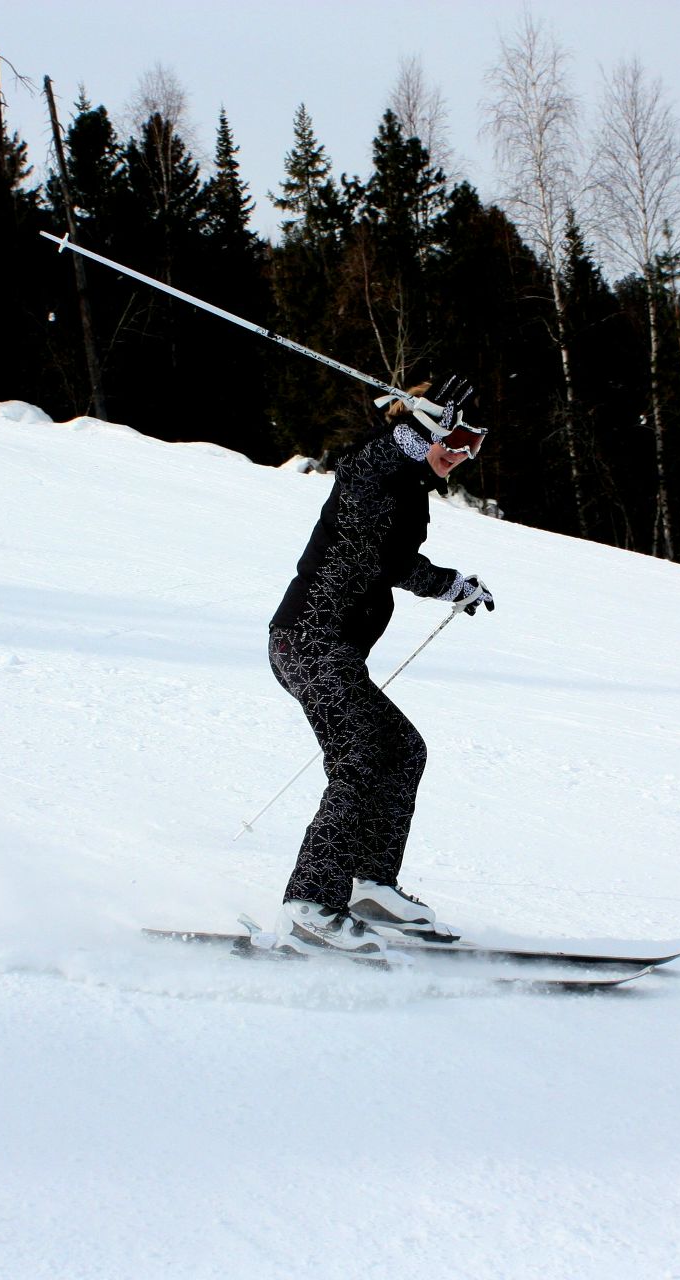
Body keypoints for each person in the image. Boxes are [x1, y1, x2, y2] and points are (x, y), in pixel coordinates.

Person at [268, 374, 490, 957]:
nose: (462, 455)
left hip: (336, 651)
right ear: (428, 429)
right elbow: (366, 461)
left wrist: (451, 586)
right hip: (308, 641)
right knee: (362, 755)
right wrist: (415, 432)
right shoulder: (378, 468)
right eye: (458, 438)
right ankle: (310, 904)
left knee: (402, 752)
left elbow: (393, 561)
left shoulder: (410, 492)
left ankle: (371, 889)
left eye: (476, 445)